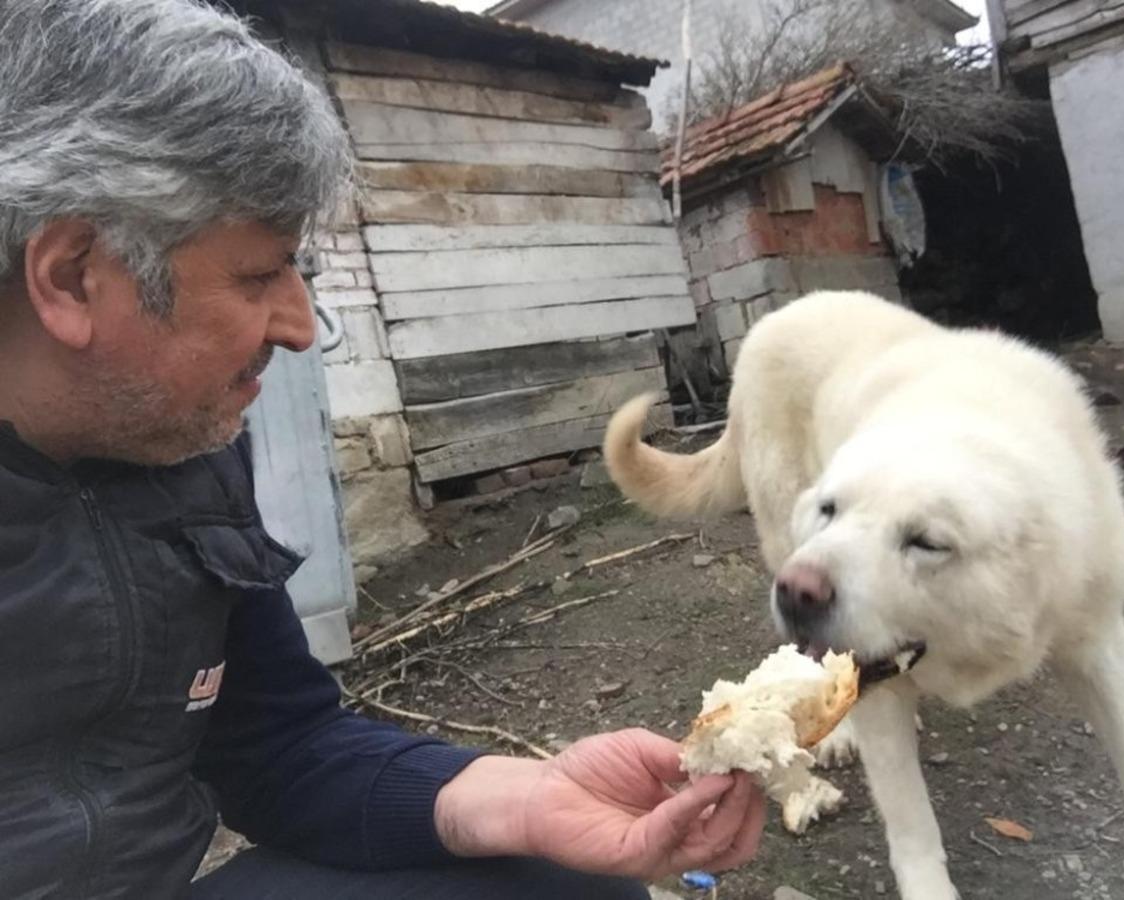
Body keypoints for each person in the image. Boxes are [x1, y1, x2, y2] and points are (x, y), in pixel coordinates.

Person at [0, 1, 767, 898]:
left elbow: (280, 746)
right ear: (71, 275)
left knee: (565, 878)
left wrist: (531, 800)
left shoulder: (180, 452)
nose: (299, 329)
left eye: (301, 271)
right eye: (258, 275)